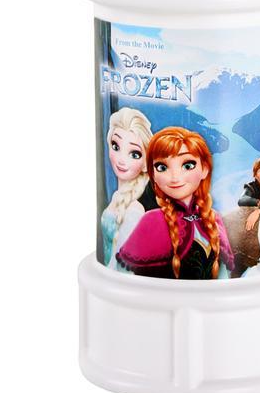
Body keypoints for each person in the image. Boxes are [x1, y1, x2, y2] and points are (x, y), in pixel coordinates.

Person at [116, 127, 234, 279]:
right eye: (162, 167)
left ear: (204, 169)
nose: (175, 177)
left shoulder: (213, 218)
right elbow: (125, 274)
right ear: (153, 175)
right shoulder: (152, 220)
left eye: (187, 165)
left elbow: (224, 274)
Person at [100, 108, 155, 269]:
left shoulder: (134, 210)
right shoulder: (118, 197)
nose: (121, 160)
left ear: (145, 164)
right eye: (116, 146)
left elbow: (122, 263)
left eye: (134, 154)